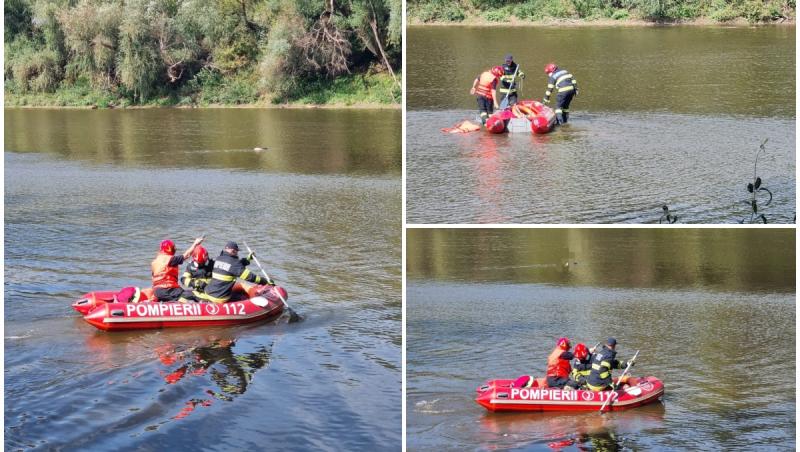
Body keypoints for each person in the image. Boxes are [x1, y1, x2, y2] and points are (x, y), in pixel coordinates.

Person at [196, 241, 274, 304]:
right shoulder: (234, 263)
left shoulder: (219, 258)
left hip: (209, 292)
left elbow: (232, 267)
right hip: (220, 298)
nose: (237, 254)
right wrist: (266, 281)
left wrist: (247, 259)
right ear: (233, 251)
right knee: (242, 296)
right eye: (236, 252)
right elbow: (250, 277)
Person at [151, 237, 204, 302]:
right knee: (192, 294)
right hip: (169, 289)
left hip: (157, 291)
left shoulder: (154, 262)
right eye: (173, 247)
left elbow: (153, 279)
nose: (175, 248)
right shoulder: (171, 259)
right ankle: (208, 306)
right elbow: (186, 255)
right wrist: (195, 244)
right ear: (169, 248)